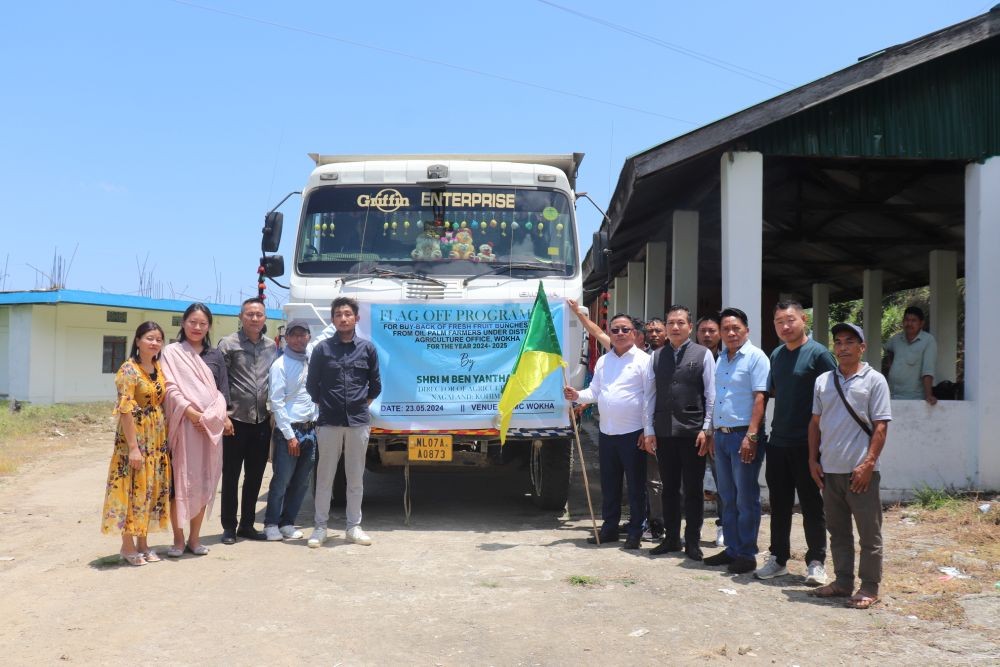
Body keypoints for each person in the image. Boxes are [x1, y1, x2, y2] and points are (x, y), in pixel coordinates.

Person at [808, 323, 891, 609]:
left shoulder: (874, 380)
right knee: (838, 531)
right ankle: (843, 581)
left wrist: (868, 464)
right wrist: (812, 459)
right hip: (830, 471)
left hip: (861, 473)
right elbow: (815, 424)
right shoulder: (823, 381)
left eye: (849, 342)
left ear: (862, 347)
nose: (842, 347)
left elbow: (881, 427)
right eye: (838, 342)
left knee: (869, 533)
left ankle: (869, 586)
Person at [756, 301, 837, 584]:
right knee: (778, 504)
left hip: (808, 444)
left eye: (790, 320)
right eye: (779, 322)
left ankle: (816, 561)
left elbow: (834, 398)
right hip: (778, 442)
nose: (785, 326)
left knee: (812, 505)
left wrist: (823, 446)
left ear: (803, 319)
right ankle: (778, 558)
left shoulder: (820, 355)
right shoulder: (776, 355)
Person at [564, 313, 656, 549]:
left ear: (634, 334)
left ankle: (636, 530)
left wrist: (647, 431)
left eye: (625, 330)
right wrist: (576, 396)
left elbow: (650, 399)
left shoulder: (644, 361)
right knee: (610, 485)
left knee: (635, 487)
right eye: (615, 330)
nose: (620, 334)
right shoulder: (604, 361)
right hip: (607, 433)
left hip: (633, 433)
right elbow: (594, 392)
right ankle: (609, 529)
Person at [306, 297, 382, 548]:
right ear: (333, 319)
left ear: (356, 318)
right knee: (325, 477)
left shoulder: (367, 349)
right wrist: (327, 404)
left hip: (358, 422)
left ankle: (353, 527)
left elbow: (375, 385)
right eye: (338, 314)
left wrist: (361, 404)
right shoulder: (322, 350)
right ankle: (320, 528)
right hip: (328, 422)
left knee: (355, 477)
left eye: (348, 314)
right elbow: (311, 385)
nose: (343, 318)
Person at [703, 307, 769, 574]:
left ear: (746, 331)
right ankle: (731, 549)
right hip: (721, 436)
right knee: (727, 496)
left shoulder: (756, 357)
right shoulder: (722, 360)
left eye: (736, 328)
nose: (730, 333)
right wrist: (710, 432)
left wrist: (752, 435)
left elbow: (760, 398)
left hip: (744, 435)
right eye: (726, 329)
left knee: (746, 497)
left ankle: (747, 553)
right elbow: (717, 399)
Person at [160, 303, 229, 557]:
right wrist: (190, 412)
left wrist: (213, 417)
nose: (197, 327)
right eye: (192, 322)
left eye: (202, 323)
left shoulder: (215, 355)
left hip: (209, 430)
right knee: (179, 482)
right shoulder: (171, 352)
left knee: (204, 481)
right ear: (183, 323)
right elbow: (169, 387)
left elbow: (222, 392)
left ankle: (194, 539)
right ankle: (178, 540)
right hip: (183, 426)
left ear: (209, 326)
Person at [100, 321, 171, 566]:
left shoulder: (158, 367)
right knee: (131, 489)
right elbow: (125, 410)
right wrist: (133, 448)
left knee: (148, 490)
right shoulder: (128, 370)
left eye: (158, 339)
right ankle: (127, 545)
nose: (154, 343)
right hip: (135, 440)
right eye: (149, 338)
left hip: (156, 441)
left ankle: (143, 543)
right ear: (138, 341)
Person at [648, 306, 715, 561]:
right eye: (671, 323)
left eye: (680, 323)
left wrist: (706, 428)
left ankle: (693, 541)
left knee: (694, 489)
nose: (675, 327)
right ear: (665, 327)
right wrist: (649, 429)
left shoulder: (703, 354)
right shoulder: (657, 356)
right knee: (669, 488)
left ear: (689, 327)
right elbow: (649, 396)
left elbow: (711, 394)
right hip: (664, 431)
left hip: (692, 432)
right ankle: (671, 539)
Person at [218, 297, 277, 543]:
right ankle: (229, 527)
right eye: (250, 314)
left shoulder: (271, 346)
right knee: (231, 476)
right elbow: (218, 383)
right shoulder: (228, 344)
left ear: (265, 318)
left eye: (259, 314)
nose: (254, 318)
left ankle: (247, 525)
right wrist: (223, 415)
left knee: (255, 476)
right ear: (241, 317)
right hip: (235, 421)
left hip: (261, 421)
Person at [263, 319, 319, 541]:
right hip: (290, 432)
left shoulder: (311, 360)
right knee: (282, 480)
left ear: (308, 337)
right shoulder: (280, 365)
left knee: (302, 482)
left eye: (302, 334)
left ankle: (288, 522)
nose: (298, 339)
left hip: (310, 430)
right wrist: (289, 436)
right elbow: (276, 403)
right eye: (293, 335)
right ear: (286, 338)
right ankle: (271, 524)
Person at [697, 313, 726, 548]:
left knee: (723, 483)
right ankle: (692, 529)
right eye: (703, 330)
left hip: (719, 433)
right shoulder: (692, 359)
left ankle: (723, 526)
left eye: (712, 331)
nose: (707, 335)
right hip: (694, 431)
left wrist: (712, 430)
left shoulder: (728, 360)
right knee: (693, 483)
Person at [642, 317, 667, 541]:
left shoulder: (674, 356)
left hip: (672, 428)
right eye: (650, 331)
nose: (653, 334)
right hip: (648, 428)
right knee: (652, 481)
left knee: (670, 479)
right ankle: (655, 523)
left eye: (658, 330)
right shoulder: (644, 357)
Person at [884, 306, 938, 404]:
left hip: (913, 399)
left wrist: (928, 395)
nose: (909, 323)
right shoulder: (896, 339)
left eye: (913, 320)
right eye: (907, 320)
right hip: (891, 395)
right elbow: (888, 349)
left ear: (921, 323)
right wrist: (891, 365)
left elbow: (928, 371)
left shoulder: (928, 341)